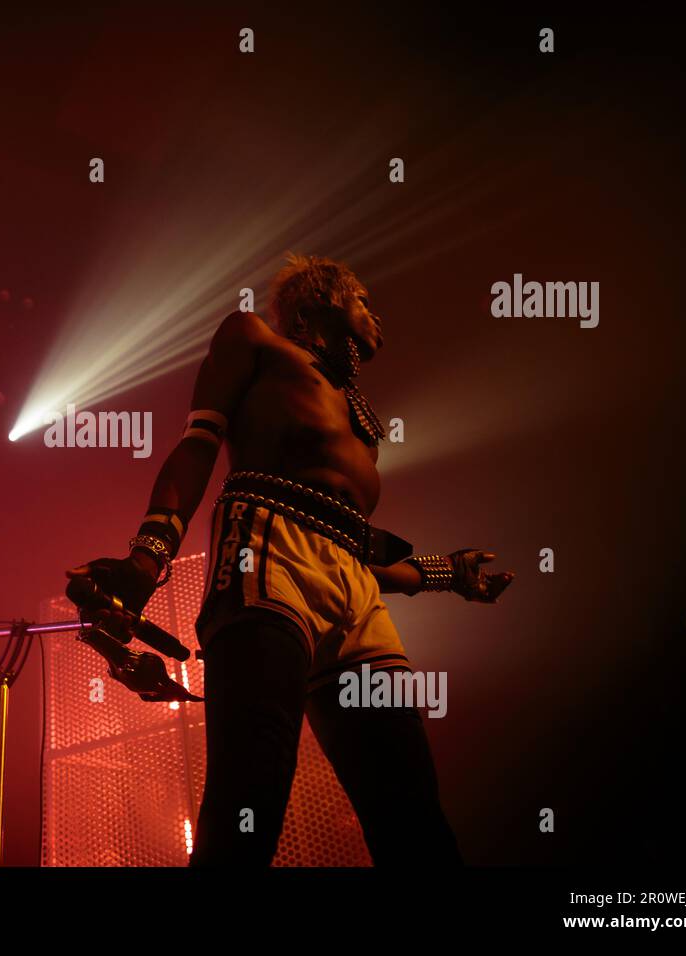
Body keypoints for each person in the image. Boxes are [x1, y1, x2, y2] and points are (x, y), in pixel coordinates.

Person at [67, 253, 513, 866]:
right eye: (365, 301)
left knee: (412, 813)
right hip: (265, 552)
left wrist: (444, 575)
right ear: (326, 300)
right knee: (250, 793)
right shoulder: (254, 339)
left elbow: (354, 548)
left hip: (355, 592)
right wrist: (147, 556)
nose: (377, 317)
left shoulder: (359, 416)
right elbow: (197, 445)